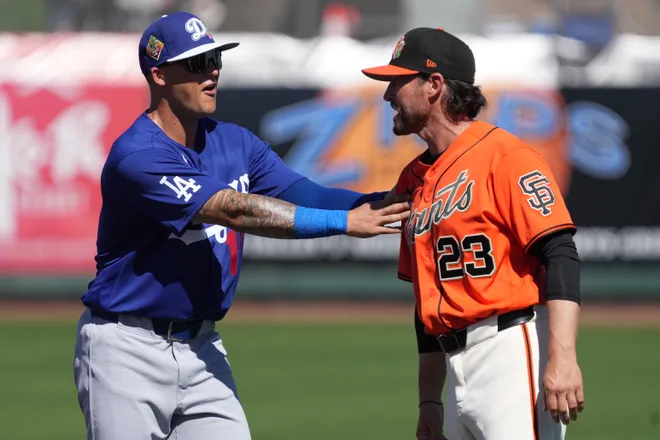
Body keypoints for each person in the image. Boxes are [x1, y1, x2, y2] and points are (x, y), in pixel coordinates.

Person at [72, 12, 410, 440]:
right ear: (158, 74)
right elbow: (232, 210)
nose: (211, 71)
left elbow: (304, 192)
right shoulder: (137, 155)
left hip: (201, 346)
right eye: (196, 63)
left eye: (215, 58)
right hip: (126, 347)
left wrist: (387, 204)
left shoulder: (234, 142)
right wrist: (345, 223)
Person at [360, 27, 585, 440]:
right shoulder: (412, 179)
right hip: (454, 362)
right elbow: (424, 303)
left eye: (396, 81)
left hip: (511, 353)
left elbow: (560, 252)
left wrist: (564, 358)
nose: (388, 95)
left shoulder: (507, 156)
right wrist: (430, 399)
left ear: (434, 85)